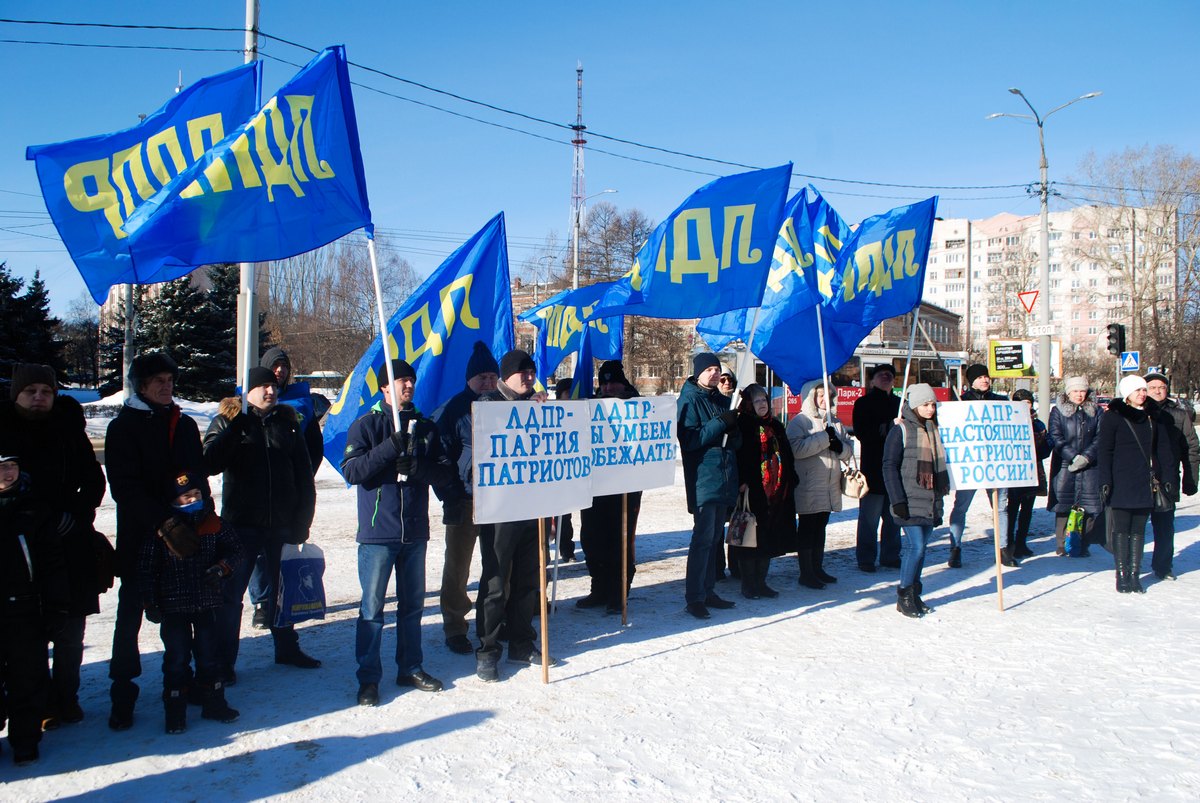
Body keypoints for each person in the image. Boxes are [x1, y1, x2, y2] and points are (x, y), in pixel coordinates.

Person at [105, 351, 211, 731]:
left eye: (170, 381)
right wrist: (163, 522)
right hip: (141, 536)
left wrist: (204, 517)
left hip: (185, 536)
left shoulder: (183, 424)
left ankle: (192, 683)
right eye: (157, 382)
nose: (166, 387)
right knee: (129, 617)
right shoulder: (123, 427)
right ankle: (122, 693)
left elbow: (197, 475)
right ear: (141, 387)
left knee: (189, 614)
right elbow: (124, 489)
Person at [342, 358, 454, 706]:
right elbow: (353, 471)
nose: (407, 385)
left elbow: (445, 475)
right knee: (373, 610)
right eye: (400, 380)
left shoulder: (426, 426)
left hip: (415, 533)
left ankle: (410, 667)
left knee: (412, 607)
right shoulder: (367, 425)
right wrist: (389, 448)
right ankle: (368, 679)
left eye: (410, 380)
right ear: (384, 387)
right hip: (378, 535)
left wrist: (419, 468)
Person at [1, 364, 106, 728]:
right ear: (16, 394)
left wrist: (76, 515)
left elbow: (93, 481)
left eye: (46, 391)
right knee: (22, 636)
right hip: (16, 550)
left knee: (70, 632)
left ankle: (64, 698)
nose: (39, 398)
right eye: (30, 391)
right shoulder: (3, 432)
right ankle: (28, 703)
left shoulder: (67, 430)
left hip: (67, 543)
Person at [203, 366, 319, 680]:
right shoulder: (228, 420)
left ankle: (286, 648)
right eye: (263, 386)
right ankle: (223, 661)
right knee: (231, 596)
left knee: (282, 590)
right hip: (241, 526)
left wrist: (302, 521)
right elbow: (209, 463)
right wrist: (234, 430)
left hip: (280, 525)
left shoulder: (288, 423)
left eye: (273, 386)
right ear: (248, 391)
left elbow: (303, 477)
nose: (270, 391)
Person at [138, 471, 242, 734]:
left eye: (196, 494)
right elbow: (147, 568)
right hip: (173, 607)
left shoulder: (213, 523)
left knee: (209, 656)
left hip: (206, 602)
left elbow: (235, 550)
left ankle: (214, 704)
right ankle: (175, 712)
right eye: (186, 496)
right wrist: (150, 602)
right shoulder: (162, 531)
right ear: (174, 500)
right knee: (176, 658)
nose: (192, 499)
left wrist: (222, 568)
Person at [475, 349, 552, 682]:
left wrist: (548, 415)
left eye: (532, 372)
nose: (529, 377)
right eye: (523, 372)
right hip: (499, 511)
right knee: (495, 584)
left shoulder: (536, 406)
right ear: (506, 376)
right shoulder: (489, 407)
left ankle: (522, 642)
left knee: (527, 581)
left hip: (532, 508)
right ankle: (488, 650)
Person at [246, 348, 328, 629]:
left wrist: (302, 474)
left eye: (283, 367)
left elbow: (314, 448)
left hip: (287, 494)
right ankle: (262, 601)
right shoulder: (242, 410)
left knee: (283, 554)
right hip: (253, 501)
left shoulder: (297, 408)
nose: (279, 372)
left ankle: (284, 619)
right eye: (274, 367)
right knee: (256, 558)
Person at [0, 442, 69, 766]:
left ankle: (25, 739)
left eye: (11, 465)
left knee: (26, 677)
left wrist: (55, 607)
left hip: (24, 609)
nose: (6, 472)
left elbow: (52, 563)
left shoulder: (33, 509)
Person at [431, 341, 499, 655]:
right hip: (465, 501)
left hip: (500, 501)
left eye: (491, 376)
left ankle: (494, 622)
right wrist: (451, 496)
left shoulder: (506, 405)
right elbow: (440, 458)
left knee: (498, 566)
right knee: (458, 569)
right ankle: (455, 627)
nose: (487, 381)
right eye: (481, 377)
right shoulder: (452, 410)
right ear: (469, 379)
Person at [1097, 375, 1177, 594]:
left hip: (1146, 481)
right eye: (1138, 390)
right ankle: (1121, 576)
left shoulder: (1154, 417)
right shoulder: (1113, 417)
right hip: (1121, 480)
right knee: (1122, 529)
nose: (1142, 394)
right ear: (1127, 394)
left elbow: (1164, 451)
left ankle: (1134, 575)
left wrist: (1168, 478)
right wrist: (1105, 480)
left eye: (1144, 390)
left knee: (1139, 531)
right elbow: (1104, 451)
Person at [677, 352, 742, 620]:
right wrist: (720, 424)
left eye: (717, 370)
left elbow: (728, 441)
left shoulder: (720, 400)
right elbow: (690, 440)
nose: (715, 374)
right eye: (710, 370)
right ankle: (694, 597)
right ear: (698, 373)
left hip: (723, 476)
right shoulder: (689, 400)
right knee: (702, 540)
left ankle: (709, 590)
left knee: (715, 537)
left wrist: (734, 433)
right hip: (703, 478)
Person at [578, 360, 643, 613]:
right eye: (603, 383)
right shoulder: (592, 405)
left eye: (612, 382)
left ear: (622, 382)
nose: (607, 388)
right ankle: (599, 588)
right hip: (595, 485)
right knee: (592, 539)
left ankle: (618, 593)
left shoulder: (636, 404)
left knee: (620, 540)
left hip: (626, 486)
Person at [882, 384, 950, 618]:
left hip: (930, 499)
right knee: (915, 547)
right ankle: (904, 595)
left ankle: (914, 593)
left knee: (921, 551)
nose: (930, 409)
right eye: (925, 405)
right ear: (914, 406)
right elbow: (889, 466)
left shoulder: (935, 429)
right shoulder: (901, 430)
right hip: (908, 499)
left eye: (933, 404)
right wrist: (897, 500)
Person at [730, 383, 797, 599]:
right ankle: (748, 583)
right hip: (753, 490)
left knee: (769, 537)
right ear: (748, 403)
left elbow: (786, 454)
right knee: (751, 538)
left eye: (764, 400)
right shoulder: (742, 425)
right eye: (757, 401)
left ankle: (762, 582)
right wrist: (741, 481)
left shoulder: (775, 425)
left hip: (776, 492)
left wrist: (790, 477)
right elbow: (737, 457)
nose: (762, 405)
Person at [786, 380, 850, 589]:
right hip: (808, 484)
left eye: (829, 395)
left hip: (829, 484)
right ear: (811, 397)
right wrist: (824, 438)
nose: (825, 399)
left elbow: (849, 451)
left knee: (821, 527)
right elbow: (796, 450)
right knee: (807, 528)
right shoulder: (800, 421)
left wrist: (840, 446)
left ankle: (817, 567)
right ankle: (806, 572)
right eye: (820, 395)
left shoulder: (836, 421)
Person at [945, 363, 1008, 568]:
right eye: (979, 377)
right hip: (970, 464)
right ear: (971, 381)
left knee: (1001, 507)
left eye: (986, 377)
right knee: (960, 507)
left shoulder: (1000, 401)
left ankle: (1004, 548)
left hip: (995, 463)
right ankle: (955, 547)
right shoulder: (960, 402)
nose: (984, 380)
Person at [1144, 371, 1199, 579]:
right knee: (1134, 527)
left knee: (1164, 526)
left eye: (1162, 387)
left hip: (1166, 477)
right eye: (1152, 387)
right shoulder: (1137, 411)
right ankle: (1130, 565)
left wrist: (1191, 479)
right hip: (1138, 478)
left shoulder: (1179, 414)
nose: (1157, 391)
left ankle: (1163, 567)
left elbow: (1191, 448)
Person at [852, 364, 902, 573]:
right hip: (873, 470)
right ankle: (866, 558)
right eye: (881, 375)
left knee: (893, 518)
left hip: (896, 471)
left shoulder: (900, 404)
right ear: (872, 381)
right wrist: (891, 425)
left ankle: (890, 556)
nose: (885, 377)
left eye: (889, 375)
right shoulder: (863, 403)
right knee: (869, 521)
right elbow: (863, 433)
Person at [1047, 376, 1104, 556]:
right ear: (1068, 392)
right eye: (1075, 391)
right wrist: (1072, 456)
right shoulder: (1058, 411)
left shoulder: (1096, 411)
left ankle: (1083, 543)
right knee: (1063, 505)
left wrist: (1086, 457)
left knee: (1089, 506)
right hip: (1065, 465)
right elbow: (1055, 437)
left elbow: (1101, 436)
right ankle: (1062, 543)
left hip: (1090, 465)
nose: (1079, 395)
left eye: (1082, 391)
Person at [1004, 389, 1053, 564]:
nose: (1026, 406)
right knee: (1011, 509)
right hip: (1014, 472)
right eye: (1021, 402)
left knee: (1027, 510)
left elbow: (1046, 449)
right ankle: (1008, 543)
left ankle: (1021, 542)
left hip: (1033, 471)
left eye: (1028, 403)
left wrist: (1045, 444)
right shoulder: (1008, 422)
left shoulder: (1038, 424)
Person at [552, 377, 577, 563]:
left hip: (573, 472)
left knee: (565, 516)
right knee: (556, 516)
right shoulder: (550, 413)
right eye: (569, 392)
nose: (572, 396)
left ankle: (567, 549)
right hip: (553, 472)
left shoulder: (581, 411)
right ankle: (559, 549)